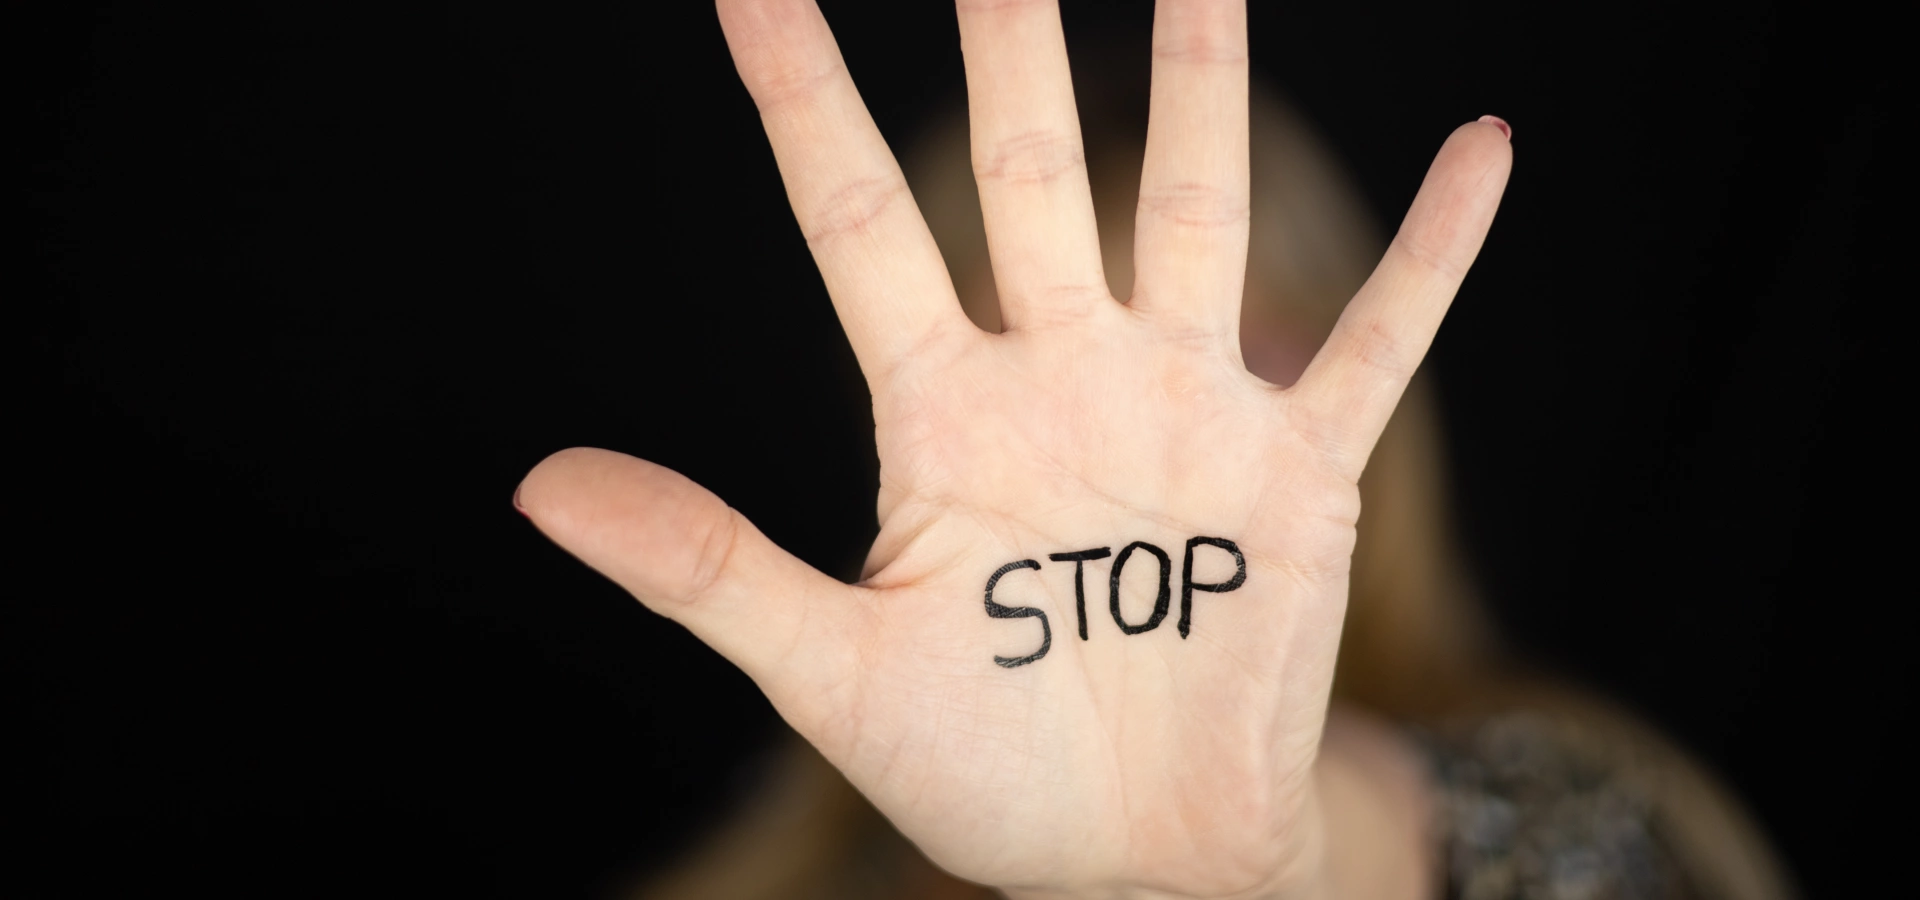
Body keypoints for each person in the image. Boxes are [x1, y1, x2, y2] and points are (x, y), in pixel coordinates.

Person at [514, 1, 1793, 897]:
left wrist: (1284, 867)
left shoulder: (1596, 810)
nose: (1170, 433)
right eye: (1060, 367)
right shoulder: (782, 872)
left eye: (1255, 330)